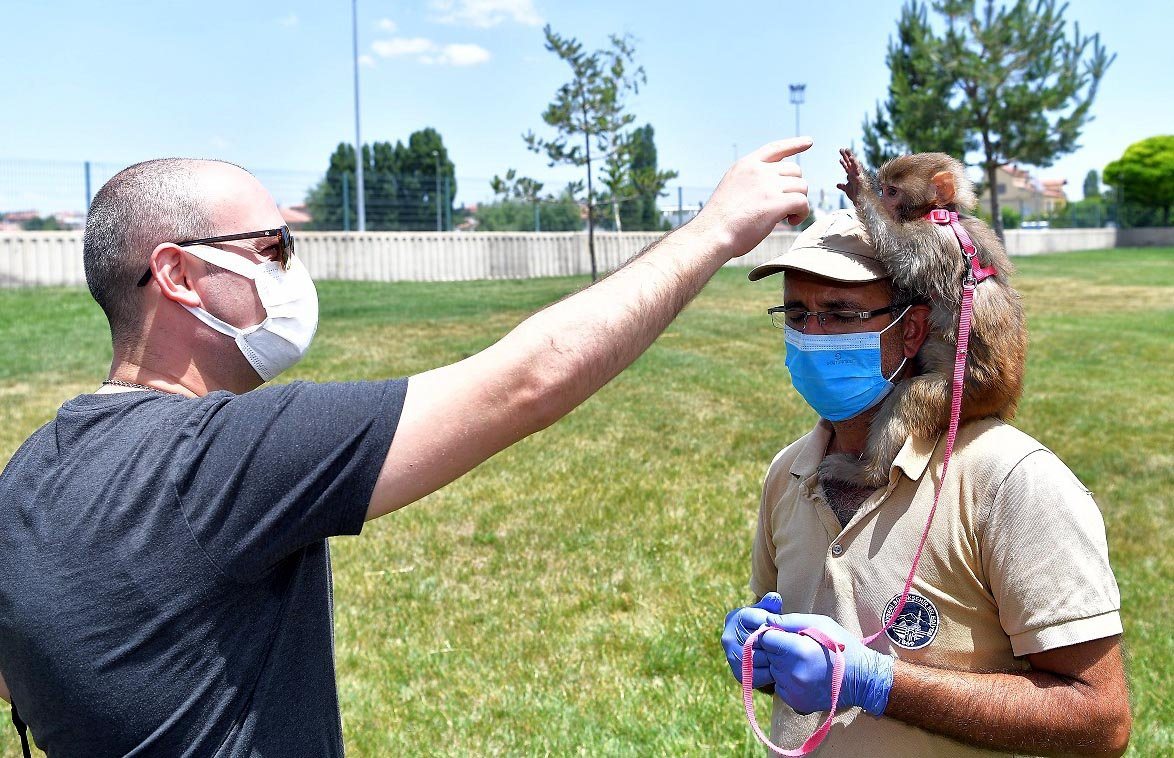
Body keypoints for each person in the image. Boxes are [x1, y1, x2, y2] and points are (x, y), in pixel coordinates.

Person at [0, 139, 811, 757]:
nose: (293, 272)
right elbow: (529, 379)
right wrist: (714, 230)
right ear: (176, 275)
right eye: (272, 249)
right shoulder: (220, 462)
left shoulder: (30, 471)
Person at [720, 210, 1131, 756]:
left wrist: (880, 684)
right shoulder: (789, 472)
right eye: (797, 313)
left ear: (912, 330)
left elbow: (1100, 720)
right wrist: (763, 659)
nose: (811, 336)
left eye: (839, 314)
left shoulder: (1011, 481)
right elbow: (799, 659)